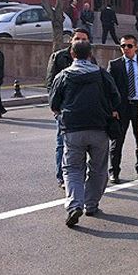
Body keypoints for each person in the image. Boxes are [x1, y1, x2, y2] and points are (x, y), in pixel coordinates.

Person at [49, 40, 121, 227]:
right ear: (90, 54)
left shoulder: (63, 76)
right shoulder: (102, 74)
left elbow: (54, 103)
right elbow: (115, 98)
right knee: (98, 169)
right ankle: (91, 204)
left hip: (73, 129)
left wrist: (61, 113)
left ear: (72, 54)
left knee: (72, 168)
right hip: (99, 128)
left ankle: (74, 205)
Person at [46, 28, 96, 189]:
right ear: (71, 40)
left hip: (85, 110)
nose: (80, 41)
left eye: (84, 39)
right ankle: (62, 176)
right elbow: (51, 83)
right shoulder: (59, 56)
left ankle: (79, 175)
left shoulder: (91, 58)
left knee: (84, 146)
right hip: (64, 109)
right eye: (78, 38)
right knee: (62, 143)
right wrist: (56, 108)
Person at [107, 34, 138, 183]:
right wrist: (113, 109)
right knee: (117, 141)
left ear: (136, 47)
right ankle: (114, 172)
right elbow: (109, 88)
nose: (126, 48)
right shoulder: (115, 65)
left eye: (129, 46)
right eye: (123, 46)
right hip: (122, 108)